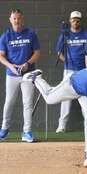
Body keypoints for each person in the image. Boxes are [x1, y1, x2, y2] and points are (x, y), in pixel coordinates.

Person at [0, 9, 41, 142]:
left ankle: (27, 132)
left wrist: (28, 63)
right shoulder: (5, 36)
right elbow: (1, 56)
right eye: (14, 19)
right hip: (11, 75)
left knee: (27, 103)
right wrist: (11, 66)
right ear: (10, 20)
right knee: (9, 102)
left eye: (19, 18)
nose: (17, 21)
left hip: (28, 74)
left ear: (22, 19)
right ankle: (4, 129)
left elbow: (37, 53)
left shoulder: (31, 34)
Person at [56, 10, 87, 133]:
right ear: (70, 20)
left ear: (80, 21)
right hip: (69, 70)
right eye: (73, 20)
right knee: (66, 98)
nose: (75, 22)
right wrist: (67, 61)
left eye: (78, 20)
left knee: (86, 97)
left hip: (83, 70)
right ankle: (62, 126)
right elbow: (59, 54)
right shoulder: (64, 35)